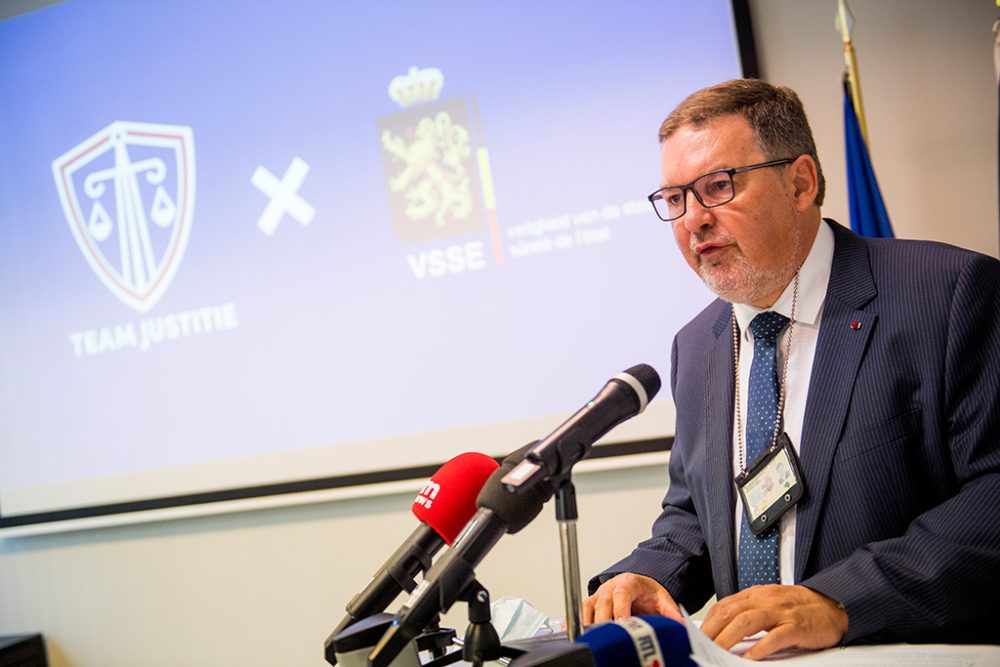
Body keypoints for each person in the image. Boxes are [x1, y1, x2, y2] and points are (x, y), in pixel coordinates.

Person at [583, 78, 1000, 659]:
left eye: (717, 187)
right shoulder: (697, 345)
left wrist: (840, 599)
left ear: (800, 182)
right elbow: (695, 515)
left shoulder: (947, 295)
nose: (692, 220)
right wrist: (653, 575)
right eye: (675, 198)